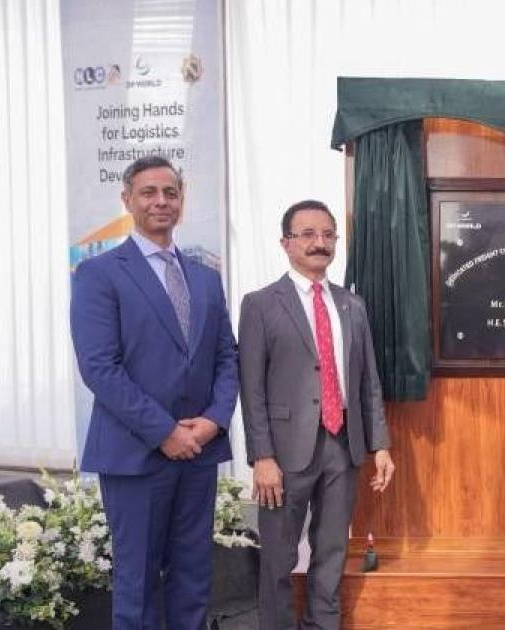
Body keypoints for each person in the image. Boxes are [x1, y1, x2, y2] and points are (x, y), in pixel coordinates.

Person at [70, 155, 238, 629]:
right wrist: (165, 432)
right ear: (127, 200)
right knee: (137, 583)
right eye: (148, 192)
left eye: (170, 192)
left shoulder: (206, 276)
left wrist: (214, 421)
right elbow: (99, 368)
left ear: (181, 201)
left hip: (199, 453)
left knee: (193, 577)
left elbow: (227, 356)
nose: (161, 201)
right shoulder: (98, 274)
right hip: (135, 454)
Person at [238, 199, 395, 629]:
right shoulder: (260, 304)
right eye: (307, 234)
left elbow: (368, 381)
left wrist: (380, 445)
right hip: (283, 454)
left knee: (331, 553)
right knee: (278, 559)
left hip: (343, 446)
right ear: (285, 243)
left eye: (327, 234)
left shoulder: (352, 305)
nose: (319, 242)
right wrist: (262, 457)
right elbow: (251, 388)